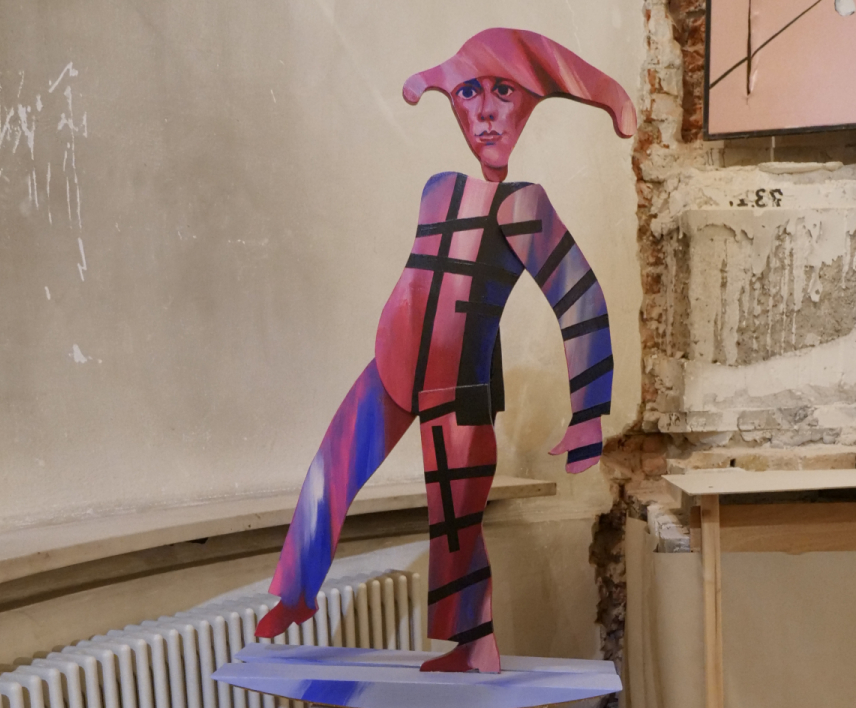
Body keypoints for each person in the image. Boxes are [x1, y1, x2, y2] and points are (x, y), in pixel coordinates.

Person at [255, 27, 636, 672]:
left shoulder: (525, 207)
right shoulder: (437, 190)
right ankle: (296, 591)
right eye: (468, 92)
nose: (485, 111)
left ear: (531, 102)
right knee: (329, 472)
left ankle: (474, 646)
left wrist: (588, 412)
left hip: (458, 393)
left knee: (456, 525)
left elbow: (578, 297)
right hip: (392, 368)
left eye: (504, 92)